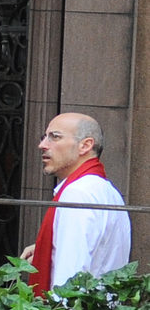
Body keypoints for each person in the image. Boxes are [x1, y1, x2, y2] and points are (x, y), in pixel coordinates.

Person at [20, 112, 131, 294]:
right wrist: (51, 247)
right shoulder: (108, 191)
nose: (42, 145)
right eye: (44, 137)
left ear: (85, 145)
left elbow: (69, 280)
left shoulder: (77, 193)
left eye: (55, 137)